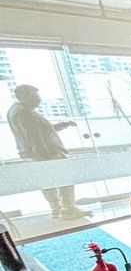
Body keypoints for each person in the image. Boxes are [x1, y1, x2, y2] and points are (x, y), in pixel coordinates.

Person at [6, 84, 90, 219]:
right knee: (63, 179)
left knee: (48, 182)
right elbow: (33, 136)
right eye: (34, 96)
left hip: (38, 154)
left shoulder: (20, 111)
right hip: (47, 154)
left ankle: (58, 209)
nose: (38, 99)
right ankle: (67, 209)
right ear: (22, 97)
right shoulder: (23, 112)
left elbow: (44, 130)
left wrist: (64, 125)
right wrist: (45, 156)